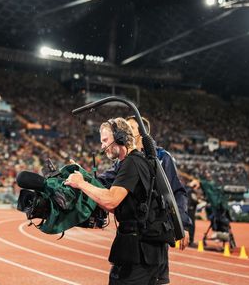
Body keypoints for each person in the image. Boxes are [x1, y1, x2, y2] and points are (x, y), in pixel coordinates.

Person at [65, 118, 173, 284]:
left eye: (105, 140)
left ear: (120, 137)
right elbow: (123, 206)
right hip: (142, 250)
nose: (102, 146)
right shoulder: (134, 162)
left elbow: (111, 200)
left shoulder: (132, 163)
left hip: (139, 251)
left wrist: (81, 184)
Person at [96, 116, 191, 284]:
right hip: (135, 235)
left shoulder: (161, 157)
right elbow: (105, 180)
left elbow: (175, 192)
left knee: (155, 279)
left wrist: (181, 224)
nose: (124, 131)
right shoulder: (124, 161)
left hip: (155, 233)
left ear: (141, 133)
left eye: (129, 128)